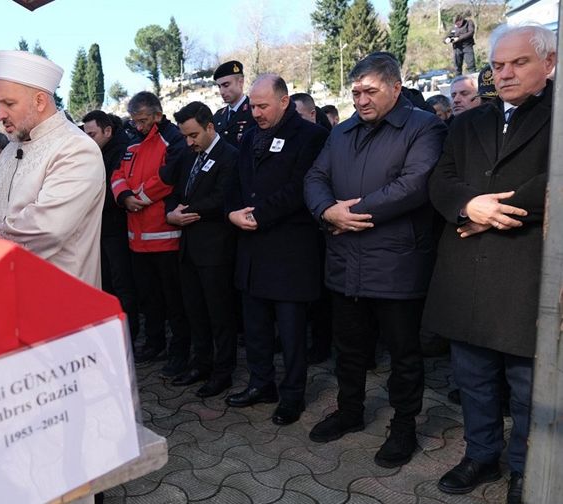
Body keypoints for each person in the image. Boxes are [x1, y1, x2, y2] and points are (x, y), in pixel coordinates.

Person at [425, 24, 556, 504]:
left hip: (525, 269)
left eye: (518, 63)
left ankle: (525, 467)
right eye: (498, 65)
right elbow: (441, 179)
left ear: (550, 62)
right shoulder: (467, 122)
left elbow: (555, 181)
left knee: (525, 384)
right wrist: (468, 207)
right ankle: (480, 455)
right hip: (468, 268)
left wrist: (494, 213)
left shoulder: (559, 114)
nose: (504, 74)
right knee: (472, 376)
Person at [304, 53, 447, 468]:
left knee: (404, 354)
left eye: (370, 91)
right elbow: (315, 177)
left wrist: (353, 212)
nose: (361, 100)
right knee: (348, 348)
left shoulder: (423, 127)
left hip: (397, 265)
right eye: (355, 92)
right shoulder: (342, 132)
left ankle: (403, 427)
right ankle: (350, 411)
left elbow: (414, 186)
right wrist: (327, 212)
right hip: (345, 261)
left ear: (396, 87)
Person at [225, 74, 328, 426]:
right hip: (252, 249)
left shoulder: (311, 137)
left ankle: (293, 395)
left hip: (289, 252)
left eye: (262, 105)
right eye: (252, 105)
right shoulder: (250, 136)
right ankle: (260, 383)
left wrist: (259, 214)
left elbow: (302, 187)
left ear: (284, 102)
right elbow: (236, 182)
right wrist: (233, 212)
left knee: (292, 331)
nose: (255, 112)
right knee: (255, 326)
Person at [0, 50, 105, 288]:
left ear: (40, 101)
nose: (0, 114)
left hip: (60, 294)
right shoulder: (10, 150)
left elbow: (47, 229)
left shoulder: (76, 148)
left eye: (8, 103)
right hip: (9, 287)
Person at [110, 91, 191, 377]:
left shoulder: (173, 138)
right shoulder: (132, 141)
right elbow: (118, 173)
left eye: (144, 120)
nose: (140, 126)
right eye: (135, 121)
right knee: (149, 299)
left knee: (174, 301)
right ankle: (154, 343)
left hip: (164, 236)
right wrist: (124, 197)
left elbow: (170, 175)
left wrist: (139, 197)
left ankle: (180, 351)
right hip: (137, 238)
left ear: (157, 114)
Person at [164, 102, 238, 398]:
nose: (189, 141)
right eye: (184, 136)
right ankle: (200, 363)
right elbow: (175, 194)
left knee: (220, 314)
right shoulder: (188, 155)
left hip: (216, 251)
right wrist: (171, 213)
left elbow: (223, 197)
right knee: (195, 312)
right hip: (188, 250)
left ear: (210, 127)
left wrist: (186, 211)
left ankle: (223, 372)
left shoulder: (229, 155)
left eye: (193, 135)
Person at [82, 110, 139, 342]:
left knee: (122, 282)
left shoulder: (121, 151)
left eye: (92, 134)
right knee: (107, 281)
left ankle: (129, 333)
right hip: (101, 228)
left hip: (115, 226)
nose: (88, 140)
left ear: (108, 131)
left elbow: (111, 190)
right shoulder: (96, 151)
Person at [212, 61, 254, 148]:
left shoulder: (254, 111)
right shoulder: (218, 116)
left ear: (240, 82)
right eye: (219, 86)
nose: (222, 92)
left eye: (226, 85)